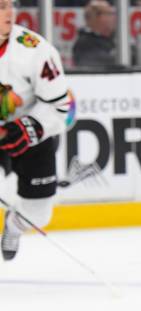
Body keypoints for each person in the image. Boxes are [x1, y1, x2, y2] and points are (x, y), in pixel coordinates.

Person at [0, 0, 71, 260]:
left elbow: (61, 106)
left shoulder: (35, 50)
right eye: (0, 7)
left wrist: (30, 127)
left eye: (10, 6)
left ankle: (13, 227)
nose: (9, 13)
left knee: (38, 214)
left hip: (33, 136)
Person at [72, 0, 117, 67]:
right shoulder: (84, 44)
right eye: (110, 13)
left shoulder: (114, 39)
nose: (114, 18)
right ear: (97, 17)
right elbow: (99, 66)